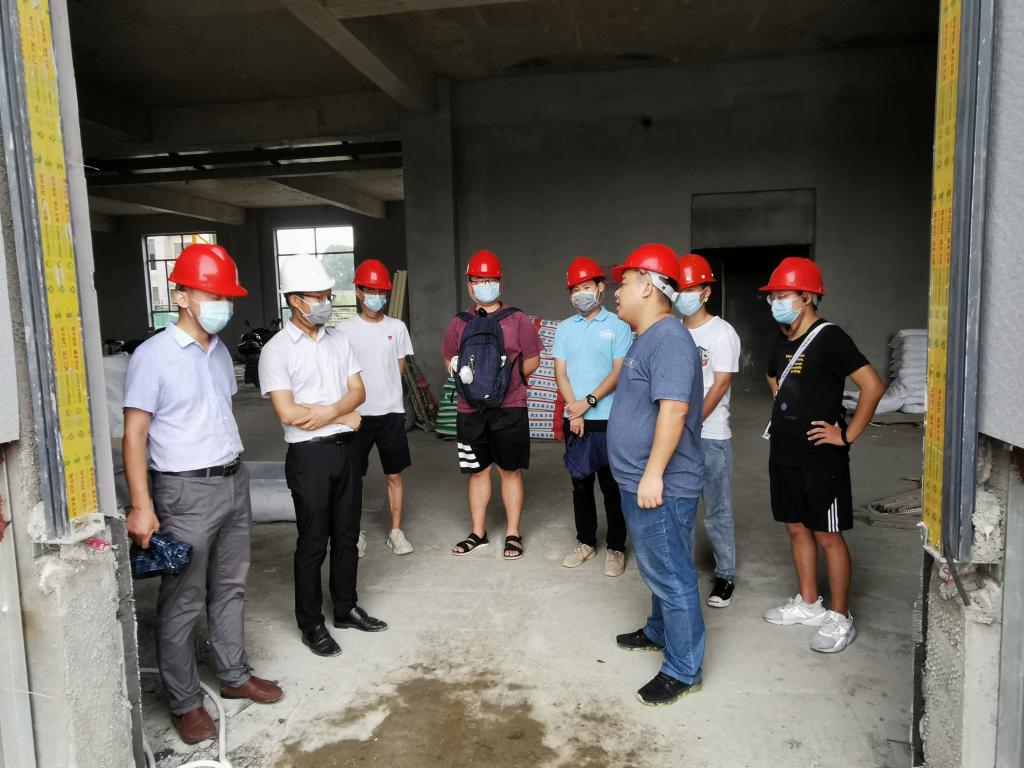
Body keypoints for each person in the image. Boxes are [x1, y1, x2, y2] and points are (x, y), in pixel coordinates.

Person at [122, 244, 282, 745]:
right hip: (184, 490)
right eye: (213, 295)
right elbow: (134, 436)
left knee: (231, 586)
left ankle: (233, 675)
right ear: (183, 296)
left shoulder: (218, 353)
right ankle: (185, 702)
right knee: (184, 598)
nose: (223, 306)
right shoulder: (153, 356)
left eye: (227, 297)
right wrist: (142, 506)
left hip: (233, 480)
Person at [259, 254, 387, 659]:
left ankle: (346, 608)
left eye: (328, 295)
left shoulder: (339, 341)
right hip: (308, 456)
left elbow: (358, 392)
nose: (326, 303)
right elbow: (287, 412)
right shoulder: (277, 351)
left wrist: (329, 412)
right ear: (295, 300)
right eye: (317, 297)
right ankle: (311, 624)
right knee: (313, 542)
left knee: (347, 536)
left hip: (346, 450)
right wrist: (342, 415)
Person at [759, 257, 884, 653]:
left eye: (783, 295)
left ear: (807, 296)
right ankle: (810, 603)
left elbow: (873, 386)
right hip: (784, 452)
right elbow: (772, 374)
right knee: (796, 528)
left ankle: (840, 617)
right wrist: (784, 405)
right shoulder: (783, 338)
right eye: (772, 296)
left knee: (827, 535)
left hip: (820, 457)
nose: (776, 302)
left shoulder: (830, 338)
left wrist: (845, 435)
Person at [608, 243, 706, 707]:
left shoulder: (668, 337)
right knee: (657, 566)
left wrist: (652, 475)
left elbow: (674, 410)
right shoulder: (647, 336)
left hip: (660, 484)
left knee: (671, 573)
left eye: (624, 282)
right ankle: (658, 630)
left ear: (647, 286)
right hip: (640, 480)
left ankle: (683, 669)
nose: (616, 291)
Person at [441, 250, 542, 560]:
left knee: (509, 470)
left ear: (500, 282)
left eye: (489, 280)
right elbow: (449, 359)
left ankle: (513, 533)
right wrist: (472, 382)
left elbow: (533, 359)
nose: (484, 285)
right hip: (469, 410)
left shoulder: (517, 319)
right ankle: (478, 532)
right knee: (478, 471)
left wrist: (505, 381)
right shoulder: (458, 323)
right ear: (469, 285)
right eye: (478, 280)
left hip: (509, 407)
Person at [553, 256, 633, 576]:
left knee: (612, 487)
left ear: (600, 288)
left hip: (608, 419)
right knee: (581, 485)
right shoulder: (564, 329)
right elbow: (560, 373)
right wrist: (573, 408)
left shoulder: (618, 326)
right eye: (574, 290)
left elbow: (618, 372)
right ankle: (585, 541)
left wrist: (587, 402)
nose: (580, 294)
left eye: (585, 287)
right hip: (575, 418)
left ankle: (616, 547)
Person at [675, 254, 741, 608]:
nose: (684, 295)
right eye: (679, 288)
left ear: (706, 292)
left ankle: (725, 575)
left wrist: (693, 420)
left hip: (711, 435)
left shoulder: (721, 332)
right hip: (676, 433)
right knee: (680, 508)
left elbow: (720, 383)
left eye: (691, 289)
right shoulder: (674, 330)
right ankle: (682, 572)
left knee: (717, 510)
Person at [340, 259, 415, 557]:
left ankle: (396, 532)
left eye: (381, 291)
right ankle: (354, 533)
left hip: (391, 413)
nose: (376, 296)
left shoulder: (397, 327)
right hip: (357, 415)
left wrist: (387, 393)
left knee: (394, 475)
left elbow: (399, 367)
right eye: (370, 290)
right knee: (355, 477)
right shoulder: (344, 330)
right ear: (358, 292)